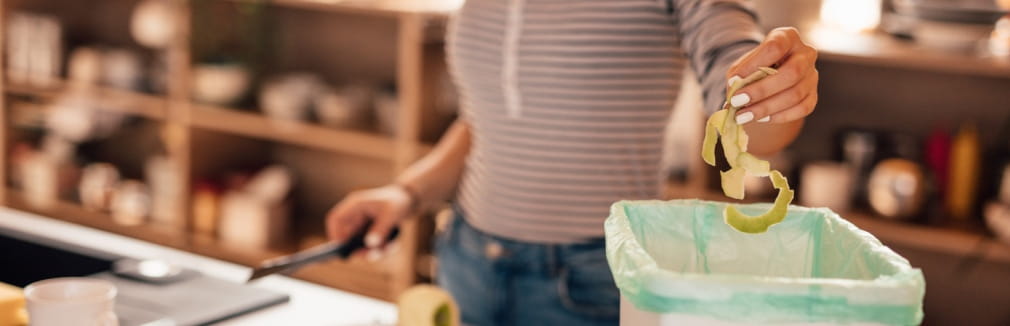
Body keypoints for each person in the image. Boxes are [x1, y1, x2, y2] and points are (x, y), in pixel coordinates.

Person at [327, 0, 818, 324]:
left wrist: (774, 88)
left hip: (592, 280)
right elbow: (487, 120)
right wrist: (405, 192)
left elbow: (746, 98)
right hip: (466, 260)